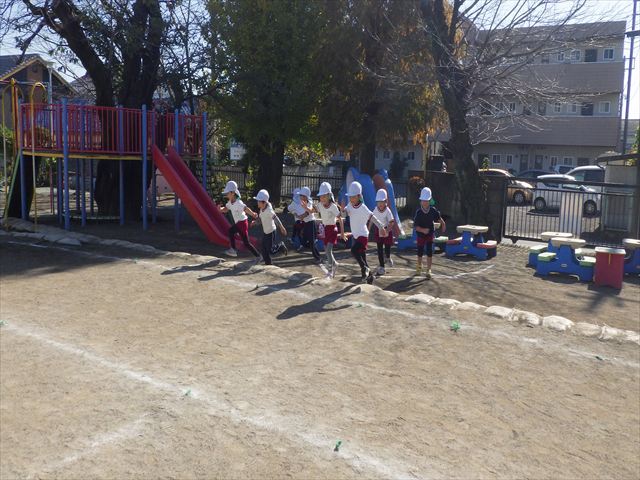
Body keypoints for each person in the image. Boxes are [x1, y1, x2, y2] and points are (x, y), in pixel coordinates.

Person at [344, 181, 386, 284]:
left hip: (363, 236)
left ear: (359, 196)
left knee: (354, 250)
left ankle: (364, 268)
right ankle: (370, 277)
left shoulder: (363, 208)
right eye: (350, 197)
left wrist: (381, 227)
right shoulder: (349, 205)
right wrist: (342, 210)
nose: (351, 199)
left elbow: (373, 217)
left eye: (353, 197)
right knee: (363, 258)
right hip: (356, 236)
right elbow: (344, 213)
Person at [219, 180, 260, 260]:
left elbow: (245, 208)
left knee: (231, 231)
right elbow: (225, 209)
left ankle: (233, 250)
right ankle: (258, 256)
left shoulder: (239, 203)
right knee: (246, 243)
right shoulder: (230, 202)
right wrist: (220, 209)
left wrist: (252, 214)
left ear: (233, 193)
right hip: (240, 223)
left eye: (227, 193)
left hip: (242, 223)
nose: (226, 195)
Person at [313, 182, 344, 278]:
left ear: (329, 196)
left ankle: (330, 271)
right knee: (326, 249)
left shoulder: (333, 206)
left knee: (328, 250)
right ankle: (335, 263)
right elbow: (313, 211)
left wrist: (342, 233)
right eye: (320, 196)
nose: (322, 198)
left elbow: (340, 219)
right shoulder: (320, 205)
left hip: (333, 229)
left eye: (324, 196)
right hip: (326, 229)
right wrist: (307, 208)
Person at [413, 187, 445, 279]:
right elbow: (416, 226)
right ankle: (419, 266)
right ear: (420, 201)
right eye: (423, 200)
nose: (425, 202)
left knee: (429, 251)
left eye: (427, 200)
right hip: (420, 235)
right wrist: (422, 230)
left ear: (430, 200)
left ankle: (429, 269)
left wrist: (443, 224)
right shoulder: (419, 212)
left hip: (430, 233)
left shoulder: (433, 210)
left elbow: (438, 218)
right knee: (420, 251)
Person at [252, 189, 288, 265]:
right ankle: (268, 263)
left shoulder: (269, 210)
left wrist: (282, 227)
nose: (257, 202)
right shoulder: (262, 209)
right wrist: (255, 222)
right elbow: (261, 218)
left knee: (270, 250)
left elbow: (276, 218)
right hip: (266, 232)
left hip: (271, 232)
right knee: (263, 249)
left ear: (264, 202)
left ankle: (281, 245)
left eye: (259, 201)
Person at [368, 188, 395, 275]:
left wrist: (387, 231)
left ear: (385, 201)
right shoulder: (375, 210)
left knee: (387, 248)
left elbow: (392, 222)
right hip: (378, 230)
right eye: (378, 202)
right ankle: (382, 267)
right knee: (379, 249)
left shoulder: (387, 211)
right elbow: (371, 220)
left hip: (387, 229)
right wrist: (368, 229)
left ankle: (388, 257)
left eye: (382, 202)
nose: (380, 204)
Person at [298, 186, 322, 262]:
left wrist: (302, 215)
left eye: (302, 195)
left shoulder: (309, 202)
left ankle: (318, 257)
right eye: (300, 195)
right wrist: (300, 216)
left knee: (312, 242)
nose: (300, 197)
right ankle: (313, 246)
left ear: (306, 196)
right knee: (304, 241)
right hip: (306, 224)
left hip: (311, 223)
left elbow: (310, 212)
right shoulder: (303, 202)